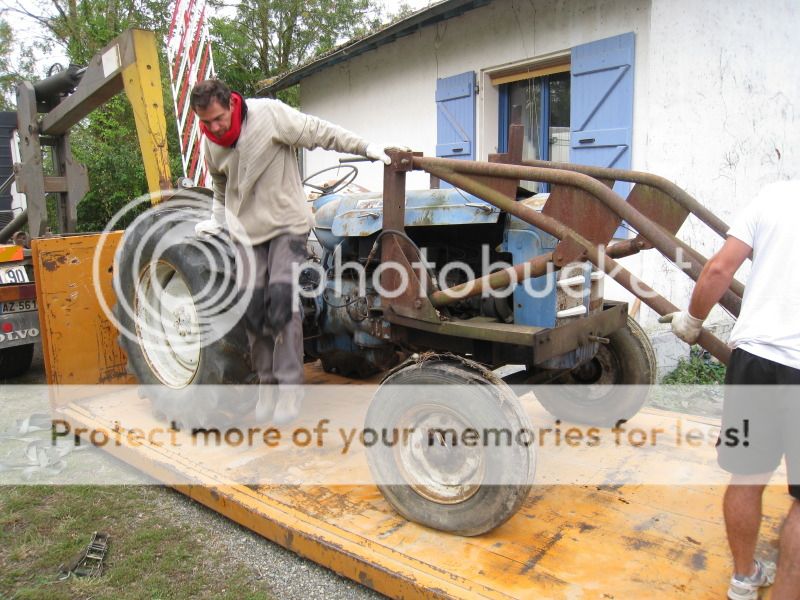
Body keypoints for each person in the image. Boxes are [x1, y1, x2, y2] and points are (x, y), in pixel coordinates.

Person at [189, 79, 392, 424]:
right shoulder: (212, 143)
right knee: (254, 311)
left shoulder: (269, 115)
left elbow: (318, 131)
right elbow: (220, 185)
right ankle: (266, 387)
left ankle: (290, 388)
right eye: (206, 123)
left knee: (281, 302)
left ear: (231, 104)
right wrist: (216, 220)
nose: (215, 127)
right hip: (246, 233)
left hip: (287, 226)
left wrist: (366, 146)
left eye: (219, 119)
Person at [665, 180, 800, 600]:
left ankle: (744, 580)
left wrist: (691, 320)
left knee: (747, 475)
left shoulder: (775, 196)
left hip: (755, 359)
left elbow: (720, 268)